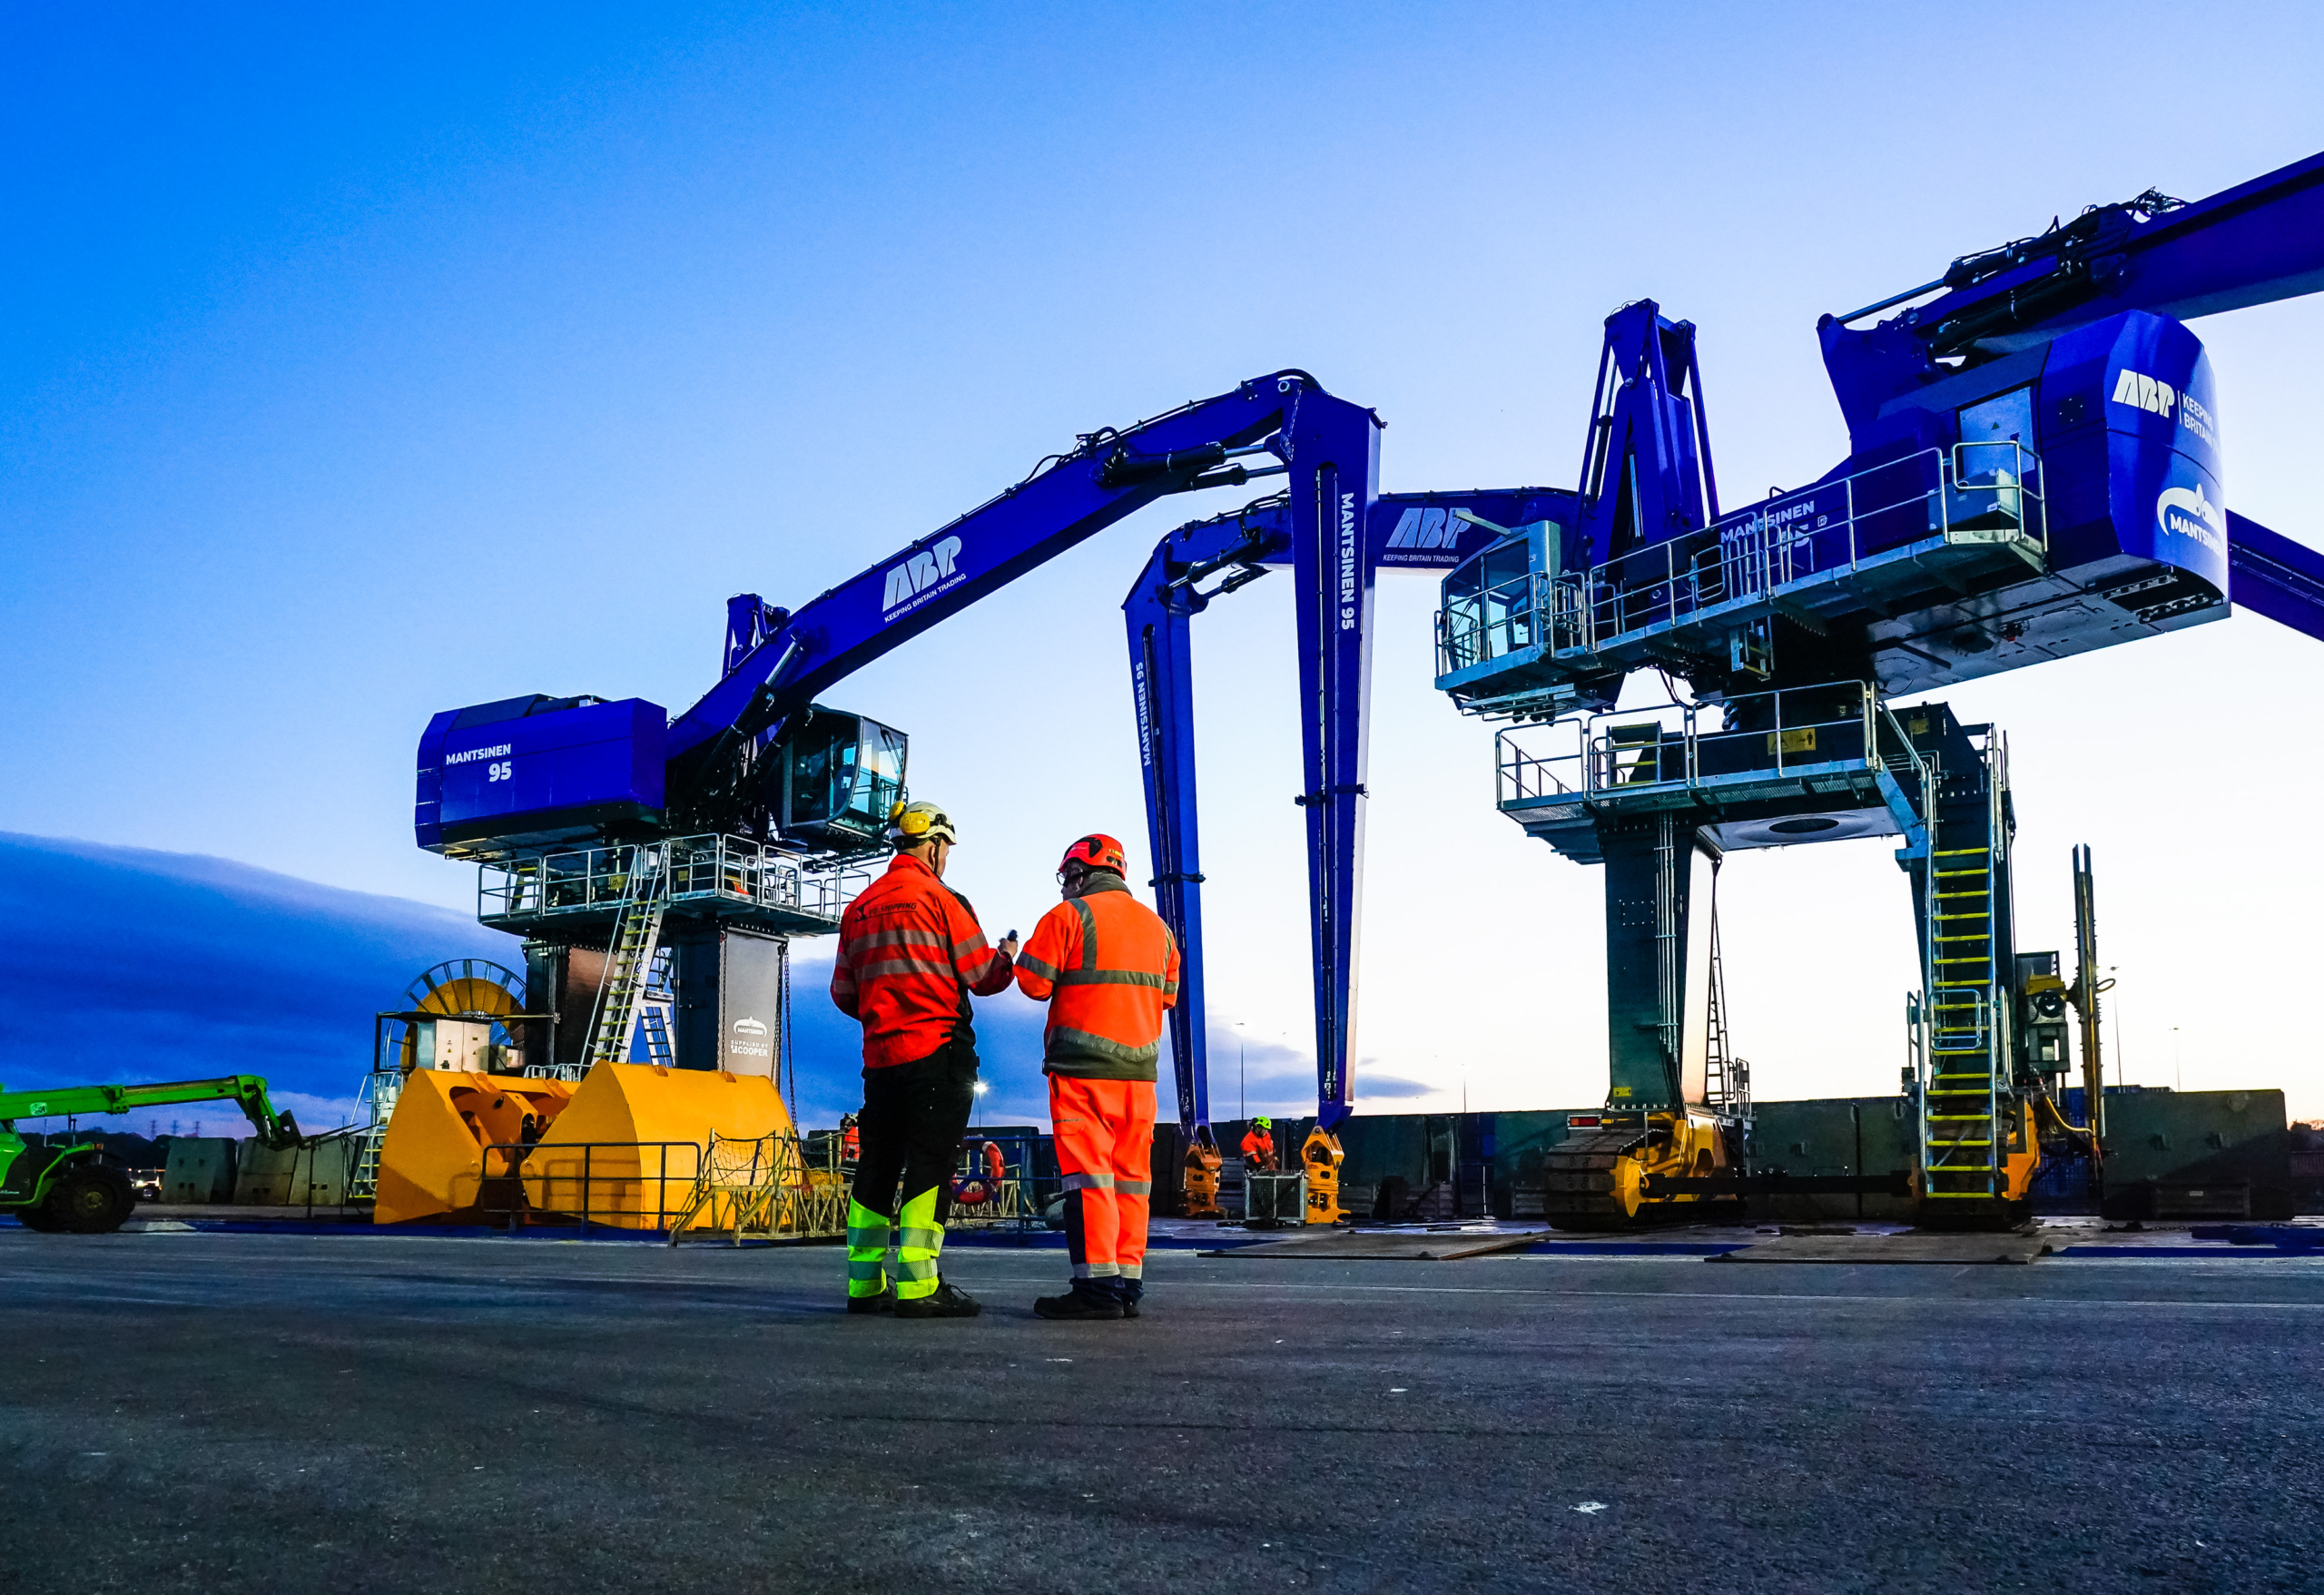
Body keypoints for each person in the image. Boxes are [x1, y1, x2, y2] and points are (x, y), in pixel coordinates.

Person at [830, 799, 1019, 1319]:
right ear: (934, 845)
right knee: (930, 1165)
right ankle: (918, 1287)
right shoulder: (941, 898)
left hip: (881, 1060)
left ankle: (865, 1286)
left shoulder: (859, 907)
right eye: (946, 848)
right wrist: (1006, 955)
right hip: (937, 1053)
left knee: (877, 1166)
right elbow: (983, 978)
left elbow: (843, 993)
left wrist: (886, 1008)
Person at [1013, 833, 1180, 1321]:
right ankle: (1126, 1286)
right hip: (1140, 1080)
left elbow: (1032, 983)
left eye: (1067, 879)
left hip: (1083, 1076)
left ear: (1081, 874)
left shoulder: (1069, 917)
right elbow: (1166, 997)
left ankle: (1094, 1290)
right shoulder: (1159, 929)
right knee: (1131, 1183)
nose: (1065, 888)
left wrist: (1014, 952)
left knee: (1089, 1183)